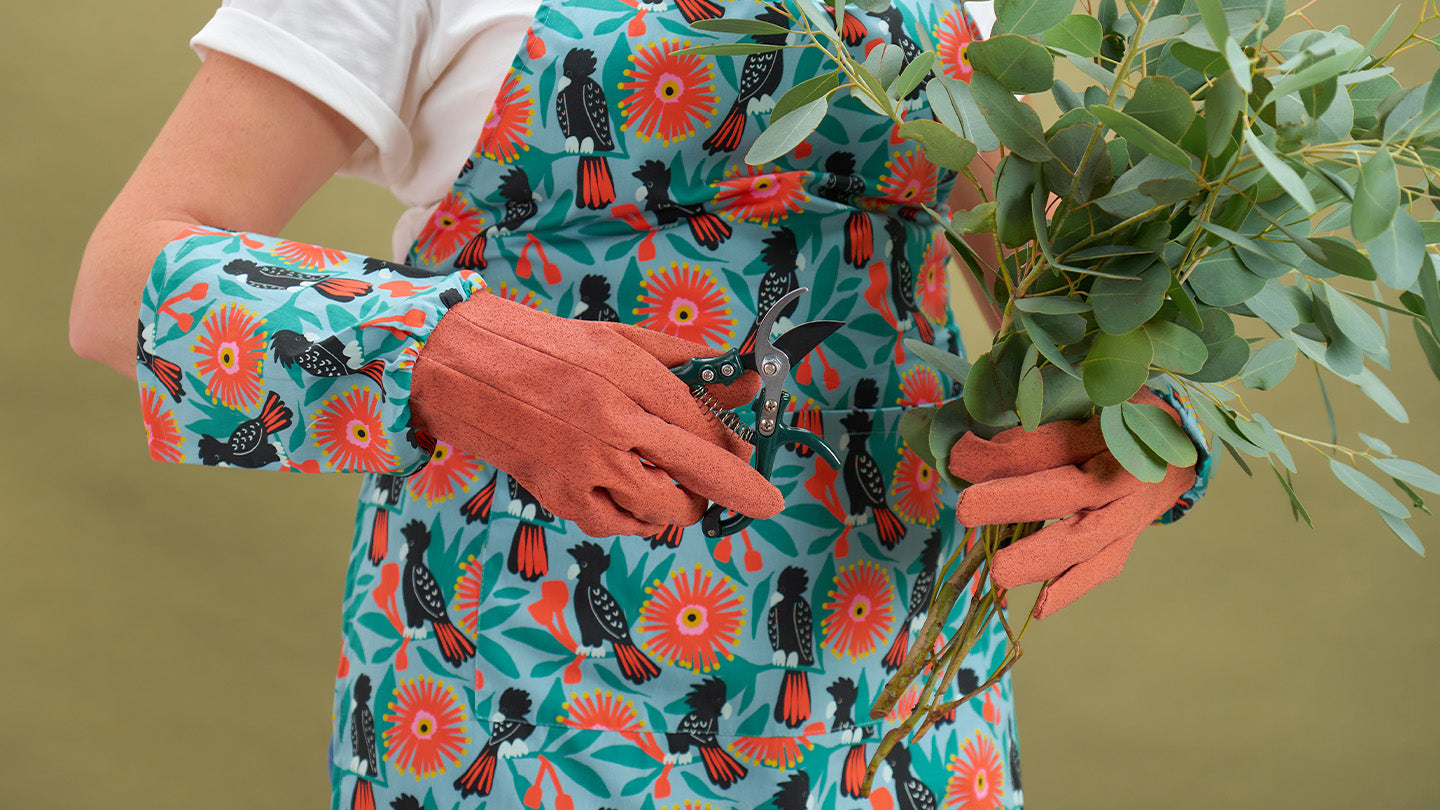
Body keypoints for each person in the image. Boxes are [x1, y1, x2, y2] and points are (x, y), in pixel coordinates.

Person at [70, 0, 1207, 807]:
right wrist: (448, 350)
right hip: (517, 682)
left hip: (896, 686)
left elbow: (1061, 296)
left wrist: (1142, 430)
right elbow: (122, 284)